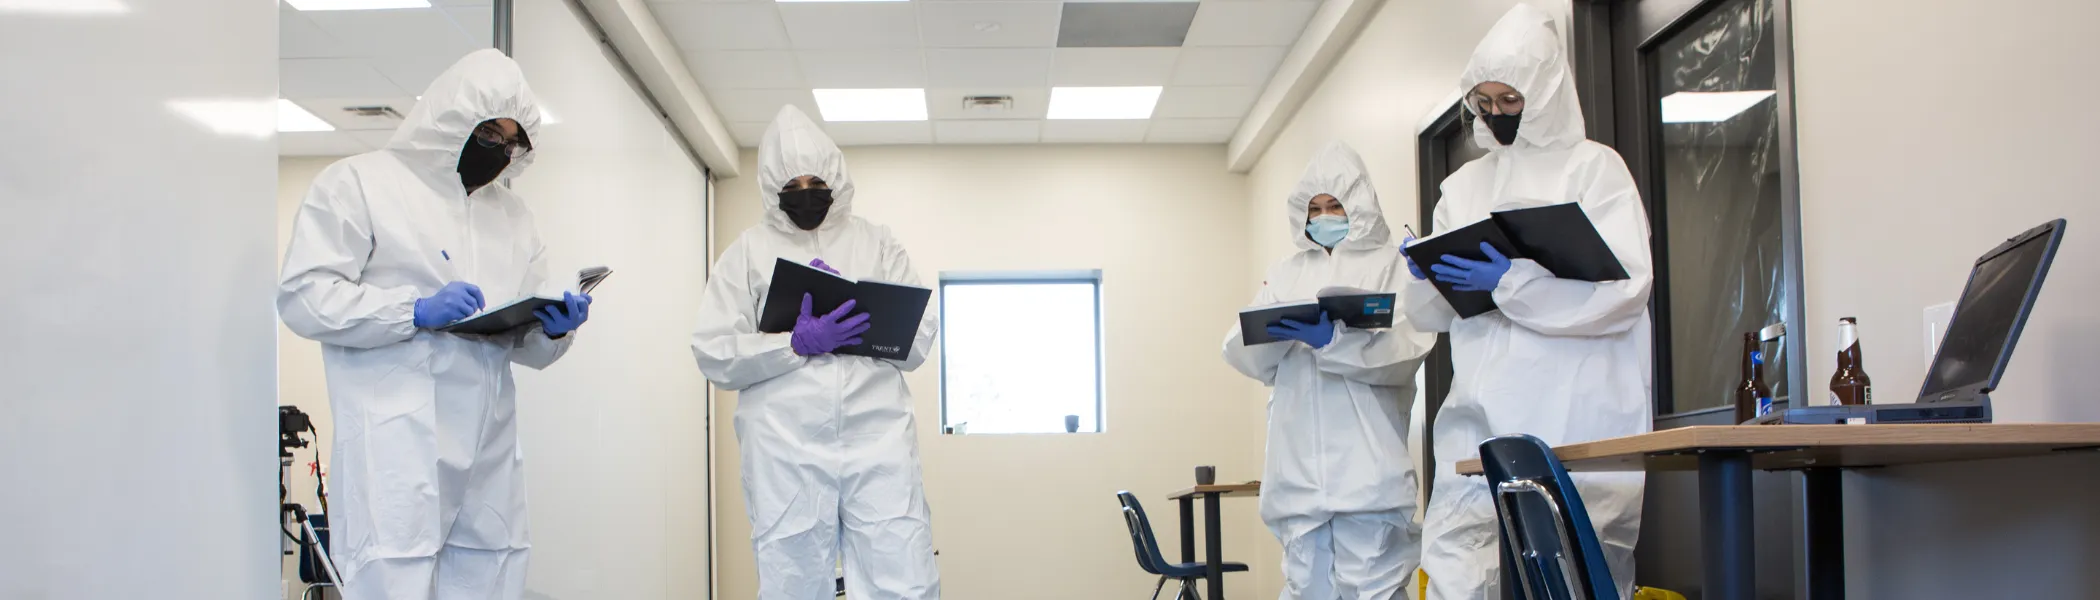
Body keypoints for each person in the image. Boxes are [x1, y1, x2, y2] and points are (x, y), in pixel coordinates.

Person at [277, 49, 592, 600]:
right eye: (491, 135)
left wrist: (555, 329)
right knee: (392, 577)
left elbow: (527, 347)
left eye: (514, 143)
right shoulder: (360, 184)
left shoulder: (512, 216)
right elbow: (304, 297)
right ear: (451, 119)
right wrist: (411, 311)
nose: (503, 152)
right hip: (397, 445)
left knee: (493, 572)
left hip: (488, 449)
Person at [1405, 5, 1654, 599]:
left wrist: (1513, 282)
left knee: (1571, 579)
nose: (1496, 115)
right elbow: (1428, 313)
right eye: (1484, 103)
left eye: (1509, 100)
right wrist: (1427, 275)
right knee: (1458, 573)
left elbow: (1624, 291)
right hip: (1476, 426)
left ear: (1545, 90)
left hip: (1574, 420)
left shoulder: (1595, 171)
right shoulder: (1463, 187)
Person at [691, 105, 941, 600]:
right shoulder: (748, 252)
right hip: (786, 444)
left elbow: (920, 334)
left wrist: (863, 326)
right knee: (793, 574)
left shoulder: (876, 242)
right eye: (792, 188)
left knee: (902, 568)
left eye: (816, 184)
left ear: (837, 181)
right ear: (772, 191)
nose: (807, 196)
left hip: (878, 435)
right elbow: (713, 352)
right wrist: (793, 344)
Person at [1224, 142, 1435, 600]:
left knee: (1374, 587)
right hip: (1298, 474)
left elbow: (1407, 350)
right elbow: (1243, 351)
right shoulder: (1285, 273)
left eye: (1335, 205)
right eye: (1314, 208)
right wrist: (1280, 334)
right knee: (1305, 588)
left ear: (1358, 203)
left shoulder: (1391, 266)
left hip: (1368, 471)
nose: (1323, 216)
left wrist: (1336, 342)